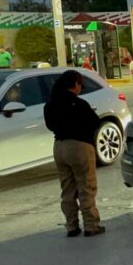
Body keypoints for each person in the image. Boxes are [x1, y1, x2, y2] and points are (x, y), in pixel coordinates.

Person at [43, 70, 105, 237]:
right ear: (75, 84)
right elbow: (94, 122)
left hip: (59, 147)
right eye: (80, 86)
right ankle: (91, 225)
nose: (80, 89)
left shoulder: (50, 105)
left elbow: (50, 125)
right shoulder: (79, 104)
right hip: (79, 146)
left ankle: (72, 226)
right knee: (86, 186)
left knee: (68, 189)